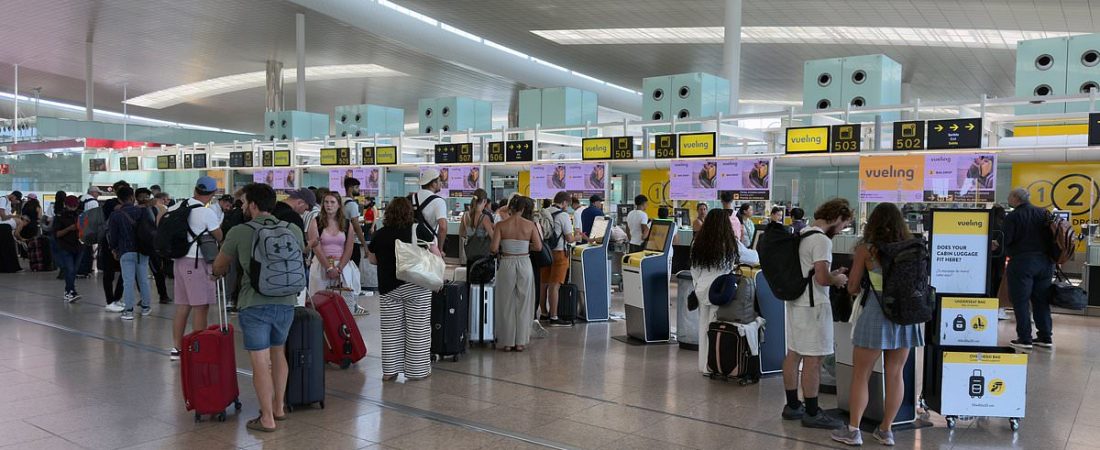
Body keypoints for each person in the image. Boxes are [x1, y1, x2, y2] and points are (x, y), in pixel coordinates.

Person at [831, 202, 923, 447]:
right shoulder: (912, 247)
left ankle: (853, 430)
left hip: (875, 312)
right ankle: (886, 430)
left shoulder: (867, 249)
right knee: (895, 374)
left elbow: (851, 286)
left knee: (861, 375)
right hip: (905, 315)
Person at [213, 183, 302, 433]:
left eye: (244, 203)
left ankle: (266, 419)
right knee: (278, 353)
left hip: (254, 303)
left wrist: (214, 273)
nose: (242, 207)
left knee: (260, 361)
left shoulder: (241, 231)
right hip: (286, 301)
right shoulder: (292, 228)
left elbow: (220, 265)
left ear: (253, 205)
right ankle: (279, 408)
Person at [781, 198, 852, 430]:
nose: (841, 230)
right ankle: (812, 412)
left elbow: (811, 272)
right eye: (843, 224)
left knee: (794, 354)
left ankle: (792, 406)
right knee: (813, 359)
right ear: (836, 217)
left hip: (795, 302)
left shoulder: (804, 233)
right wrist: (837, 278)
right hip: (814, 307)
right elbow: (822, 279)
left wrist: (829, 273)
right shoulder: (821, 240)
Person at [366, 197, 438, 381]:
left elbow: (372, 260)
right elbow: (435, 253)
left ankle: (389, 371)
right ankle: (418, 371)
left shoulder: (380, 234)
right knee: (417, 329)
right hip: (416, 285)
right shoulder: (418, 229)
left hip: (389, 288)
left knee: (390, 331)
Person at [167, 176, 224, 361]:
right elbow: (219, 235)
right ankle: (198, 348)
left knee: (183, 306)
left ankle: (177, 348)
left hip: (179, 261)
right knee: (201, 306)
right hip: (197, 263)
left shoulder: (176, 207)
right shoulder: (206, 213)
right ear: (213, 193)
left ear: (195, 190)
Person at [1004, 188, 1055, 350]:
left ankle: (1025, 338)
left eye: (1009, 196)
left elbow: (1006, 240)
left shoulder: (1013, 216)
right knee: (1041, 300)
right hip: (1046, 263)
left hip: (1022, 262)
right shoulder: (1043, 213)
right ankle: (1045, 337)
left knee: (1021, 301)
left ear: (1015, 198)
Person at [492, 195, 542, 351]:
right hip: (524, 262)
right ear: (523, 209)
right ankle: (520, 341)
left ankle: (507, 342)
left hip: (507, 262)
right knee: (524, 301)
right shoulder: (530, 225)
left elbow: (493, 249)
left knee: (506, 302)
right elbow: (539, 247)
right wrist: (525, 247)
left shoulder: (501, 225)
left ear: (510, 208)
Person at [306, 191, 365, 315]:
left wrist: (339, 268)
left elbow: (349, 248)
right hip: (321, 265)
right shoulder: (316, 222)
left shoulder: (347, 224)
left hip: (341, 266)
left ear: (339, 205)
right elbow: (317, 248)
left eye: (332, 202)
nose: (329, 205)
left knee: (343, 300)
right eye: (326, 202)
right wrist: (328, 267)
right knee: (320, 301)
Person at [106, 186, 155, 320]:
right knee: (143, 280)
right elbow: (151, 229)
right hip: (142, 250)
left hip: (125, 251)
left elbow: (112, 235)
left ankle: (128, 311)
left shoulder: (115, 215)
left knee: (127, 281)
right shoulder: (143, 211)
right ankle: (145, 307)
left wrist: (113, 249)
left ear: (119, 199)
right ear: (132, 197)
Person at [538, 192, 577, 326]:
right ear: (564, 202)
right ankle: (554, 317)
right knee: (555, 286)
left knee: (543, 284)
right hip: (559, 253)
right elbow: (569, 238)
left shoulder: (544, 212)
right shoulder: (563, 216)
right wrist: (577, 237)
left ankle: (543, 313)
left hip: (544, 253)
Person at [101, 182, 128, 312]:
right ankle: (110, 300)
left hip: (122, 243)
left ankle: (117, 298)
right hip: (108, 242)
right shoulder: (110, 203)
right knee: (109, 273)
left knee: (124, 272)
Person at [54, 196, 83, 302]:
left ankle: (68, 291)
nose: (73, 208)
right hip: (65, 246)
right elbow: (57, 234)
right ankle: (71, 291)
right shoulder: (60, 216)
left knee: (74, 270)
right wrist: (69, 228)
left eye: (75, 206)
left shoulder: (81, 214)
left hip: (79, 246)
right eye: (70, 206)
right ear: (65, 205)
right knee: (69, 269)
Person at [459, 189, 494, 264]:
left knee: (471, 274)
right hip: (482, 257)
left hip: (470, 255)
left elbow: (462, 234)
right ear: (484, 201)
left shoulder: (465, 216)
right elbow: (493, 237)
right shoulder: (484, 218)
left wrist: (471, 233)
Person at [413, 169, 448, 241]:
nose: (441, 184)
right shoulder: (439, 201)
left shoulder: (411, 198)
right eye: (439, 181)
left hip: (411, 242)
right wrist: (440, 250)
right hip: (429, 244)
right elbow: (443, 227)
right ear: (433, 183)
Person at [342, 177, 368, 266]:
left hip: (341, 240)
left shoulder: (340, 201)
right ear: (350, 188)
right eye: (357, 187)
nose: (358, 190)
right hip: (352, 242)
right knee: (354, 269)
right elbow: (356, 227)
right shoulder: (352, 204)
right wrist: (364, 245)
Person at [0, 191, 21, 273]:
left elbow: (8, 213)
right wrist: (14, 216)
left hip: (6, 225)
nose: (14, 202)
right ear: (13, 196)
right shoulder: (3, 200)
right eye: (15, 200)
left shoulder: (8, 201)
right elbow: (3, 216)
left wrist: (15, 207)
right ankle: (17, 235)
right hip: (3, 225)